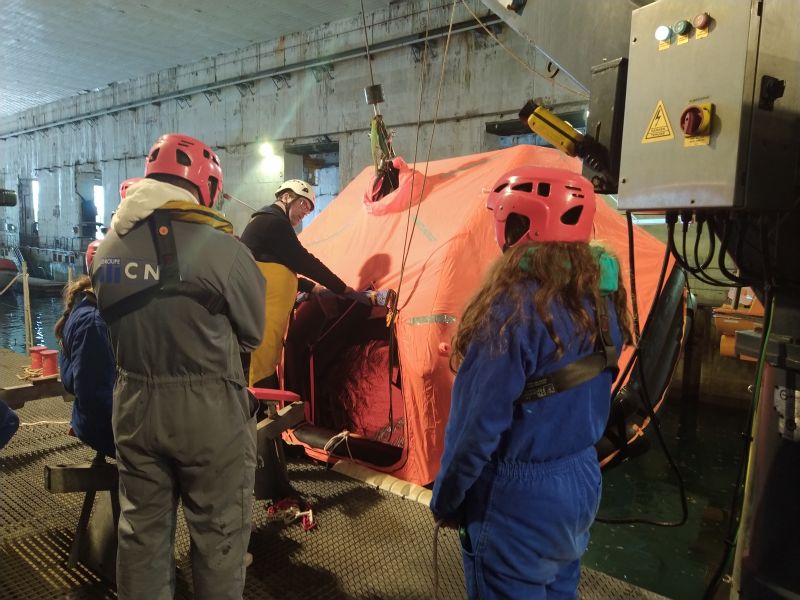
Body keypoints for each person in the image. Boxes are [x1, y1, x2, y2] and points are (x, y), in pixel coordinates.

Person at [430, 167, 633, 600]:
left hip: (515, 496)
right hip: (580, 481)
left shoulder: (508, 309)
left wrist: (446, 500)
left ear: (515, 223)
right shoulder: (601, 295)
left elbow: (474, 430)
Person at [91, 133, 265, 600]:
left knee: (142, 539)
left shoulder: (107, 251)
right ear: (205, 187)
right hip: (210, 415)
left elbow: (110, 325)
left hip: (134, 407)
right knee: (219, 542)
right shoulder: (227, 252)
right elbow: (253, 333)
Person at [239, 178, 353, 388]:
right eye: (303, 204)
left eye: (309, 210)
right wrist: (342, 288)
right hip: (259, 323)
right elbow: (303, 261)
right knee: (258, 383)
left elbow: (279, 269)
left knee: (261, 377)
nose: (305, 213)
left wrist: (312, 287)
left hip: (263, 323)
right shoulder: (273, 222)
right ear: (286, 197)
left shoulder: (270, 225)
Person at [55, 249, 115, 458]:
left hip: (89, 417)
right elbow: (95, 398)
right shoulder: (93, 323)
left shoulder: (84, 310)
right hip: (100, 427)